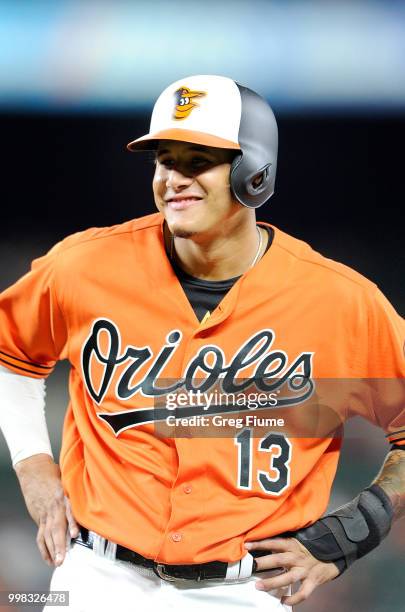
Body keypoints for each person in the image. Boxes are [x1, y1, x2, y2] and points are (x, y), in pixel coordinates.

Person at [0, 74, 404, 612]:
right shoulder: (83, 266)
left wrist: (357, 530)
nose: (174, 178)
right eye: (165, 160)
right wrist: (33, 467)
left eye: (199, 161)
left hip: (243, 591)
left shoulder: (339, 302)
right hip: (95, 576)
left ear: (255, 172)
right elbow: (11, 354)